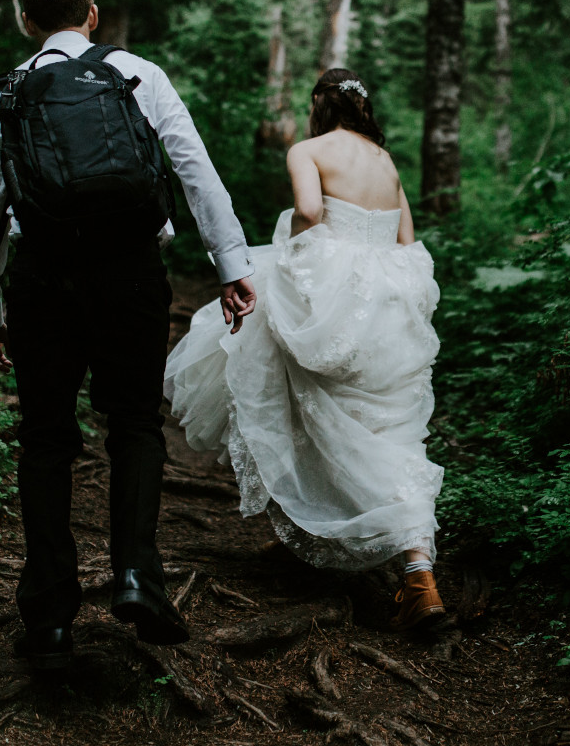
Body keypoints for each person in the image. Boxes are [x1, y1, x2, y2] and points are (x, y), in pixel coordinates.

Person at [0, 0, 257, 668]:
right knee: (135, 423)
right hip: (130, 274)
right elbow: (196, 173)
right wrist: (232, 268)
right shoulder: (139, 75)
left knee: (47, 438)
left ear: (27, 23)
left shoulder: (8, 94)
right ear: (93, 14)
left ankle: (50, 614)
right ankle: (136, 578)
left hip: (42, 281)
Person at [164, 68, 447, 629]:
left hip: (331, 297)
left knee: (288, 393)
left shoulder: (308, 150)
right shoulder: (385, 161)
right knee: (385, 429)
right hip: (388, 302)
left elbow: (311, 214)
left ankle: (309, 520)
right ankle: (418, 577)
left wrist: (290, 248)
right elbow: (406, 241)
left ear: (320, 103)